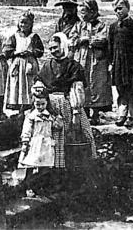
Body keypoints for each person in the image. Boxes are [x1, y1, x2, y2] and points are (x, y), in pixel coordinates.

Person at [33, 34, 96, 168]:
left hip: (68, 105)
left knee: (74, 135)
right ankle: (50, 169)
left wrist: (76, 113)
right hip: (49, 105)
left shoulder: (73, 66)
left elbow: (76, 90)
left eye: (55, 47)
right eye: (50, 49)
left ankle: (70, 171)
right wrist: (38, 89)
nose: (53, 51)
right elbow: (40, 81)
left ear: (63, 46)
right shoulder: (47, 65)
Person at [69, 0, 112, 126]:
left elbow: (104, 39)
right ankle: (85, 111)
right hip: (81, 58)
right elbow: (72, 39)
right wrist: (78, 40)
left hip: (96, 59)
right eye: (80, 13)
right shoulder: (78, 25)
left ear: (93, 12)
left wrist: (90, 39)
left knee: (97, 84)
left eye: (84, 13)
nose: (82, 16)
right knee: (83, 83)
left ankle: (96, 113)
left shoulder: (101, 26)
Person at [107, 0, 133, 128]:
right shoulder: (113, 27)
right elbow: (110, 46)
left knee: (132, 89)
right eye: (115, 10)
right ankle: (122, 114)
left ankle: (132, 115)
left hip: (132, 65)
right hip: (118, 64)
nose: (118, 12)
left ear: (127, 8)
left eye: (120, 8)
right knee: (121, 89)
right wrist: (111, 62)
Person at [4, 11, 44, 115]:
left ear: (31, 24)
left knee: (29, 84)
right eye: (21, 22)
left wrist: (31, 52)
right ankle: (19, 109)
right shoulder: (14, 36)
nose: (23, 25)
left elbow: (40, 51)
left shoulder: (34, 36)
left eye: (26, 23)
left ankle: (30, 107)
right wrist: (15, 52)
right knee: (17, 84)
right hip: (17, 63)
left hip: (29, 63)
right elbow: (7, 50)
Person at [19, 90, 56, 169]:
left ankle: (42, 179)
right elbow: (27, 129)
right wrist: (25, 141)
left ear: (47, 103)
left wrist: (58, 119)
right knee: (32, 163)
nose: (40, 107)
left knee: (45, 164)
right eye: (37, 104)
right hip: (36, 142)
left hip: (47, 143)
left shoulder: (50, 116)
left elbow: (55, 126)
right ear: (34, 103)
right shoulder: (31, 116)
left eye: (43, 104)